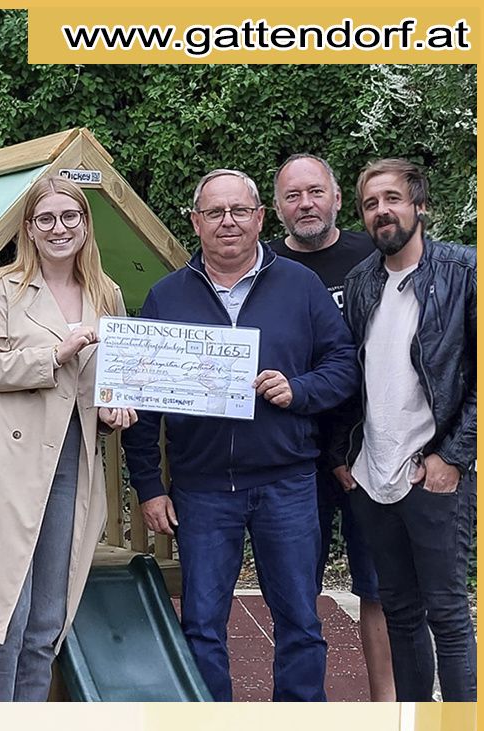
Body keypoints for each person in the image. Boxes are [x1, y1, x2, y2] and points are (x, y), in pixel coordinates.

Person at [123, 169, 359, 703]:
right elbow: (142, 398)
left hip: (288, 482)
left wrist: (298, 390)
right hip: (202, 488)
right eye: (213, 213)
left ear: (259, 218)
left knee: (300, 618)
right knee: (203, 624)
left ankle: (297, 730)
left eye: (238, 211)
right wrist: (149, 486)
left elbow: (344, 363)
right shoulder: (166, 297)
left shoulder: (301, 286)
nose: (227, 222)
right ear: (195, 222)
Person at [0, 177, 135, 702]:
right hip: (5, 459)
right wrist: (55, 354)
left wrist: (115, 407)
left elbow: (111, 377)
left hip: (71, 456)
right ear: (29, 228)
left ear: (85, 224)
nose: (59, 228)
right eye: (45, 219)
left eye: (70, 216)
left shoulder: (106, 292)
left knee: (48, 617)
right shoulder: (4, 288)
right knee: (3, 613)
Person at [337, 159, 476, 702]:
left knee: (447, 615)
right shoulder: (362, 282)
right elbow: (350, 379)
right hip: (374, 478)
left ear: (420, 207)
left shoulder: (464, 273)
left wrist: (455, 457)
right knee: (399, 612)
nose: (381, 211)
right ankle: (416, 726)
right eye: (371, 204)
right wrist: (343, 458)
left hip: (435, 474)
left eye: (392, 199)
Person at [271, 154, 394, 702]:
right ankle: (306, 706)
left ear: (337, 197)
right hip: (291, 452)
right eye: (293, 195)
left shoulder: (373, 257)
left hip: (370, 448)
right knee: (297, 592)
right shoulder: (262, 265)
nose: (306, 204)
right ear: (276, 208)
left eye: (315, 192)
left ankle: (386, 704)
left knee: (379, 586)